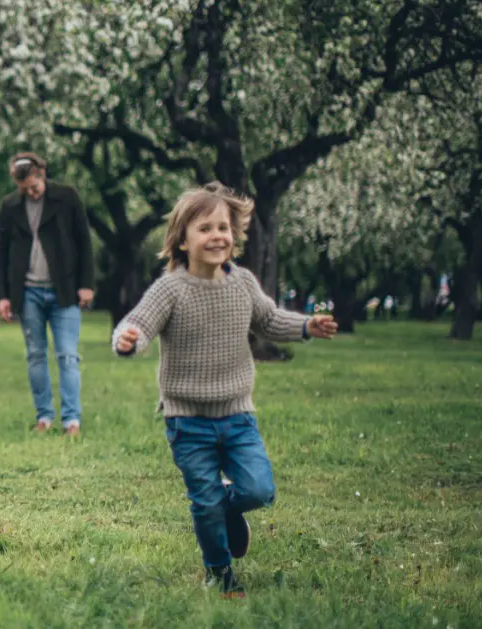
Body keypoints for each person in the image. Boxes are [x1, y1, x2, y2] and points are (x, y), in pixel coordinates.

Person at [111, 182, 338, 597]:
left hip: (237, 416)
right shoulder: (171, 289)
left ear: (234, 236)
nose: (217, 236)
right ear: (183, 240)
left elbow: (268, 321)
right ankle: (220, 573)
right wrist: (128, 339)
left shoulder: (243, 284)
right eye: (205, 228)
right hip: (187, 421)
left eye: (224, 227)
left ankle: (231, 513)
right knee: (204, 501)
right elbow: (140, 323)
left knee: (258, 489)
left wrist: (305, 325)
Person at [0, 152, 95, 436]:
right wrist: (3, 295)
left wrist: (86, 284)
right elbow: (1, 251)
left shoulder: (66, 197)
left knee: (67, 355)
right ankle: (44, 417)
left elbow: (84, 240)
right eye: (24, 188)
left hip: (64, 289)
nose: (31, 191)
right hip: (28, 292)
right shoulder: (11, 205)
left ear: (42, 173)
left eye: (34, 185)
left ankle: (71, 420)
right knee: (36, 354)